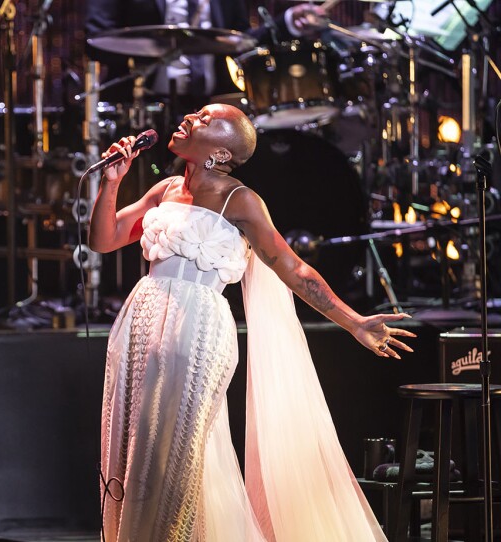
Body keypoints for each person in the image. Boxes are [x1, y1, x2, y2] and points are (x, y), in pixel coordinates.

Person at [88, 103, 415, 541]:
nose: (190, 119)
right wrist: (112, 184)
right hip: (141, 323)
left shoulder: (239, 199)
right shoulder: (165, 189)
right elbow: (104, 238)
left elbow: (292, 267)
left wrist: (354, 321)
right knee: (131, 448)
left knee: (172, 457)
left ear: (221, 153)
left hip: (196, 330)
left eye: (205, 120)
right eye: (196, 114)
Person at [86, 0, 329, 103]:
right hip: (140, 105)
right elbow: (96, 38)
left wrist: (287, 23)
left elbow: (241, 41)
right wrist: (156, 46)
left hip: (214, 105)